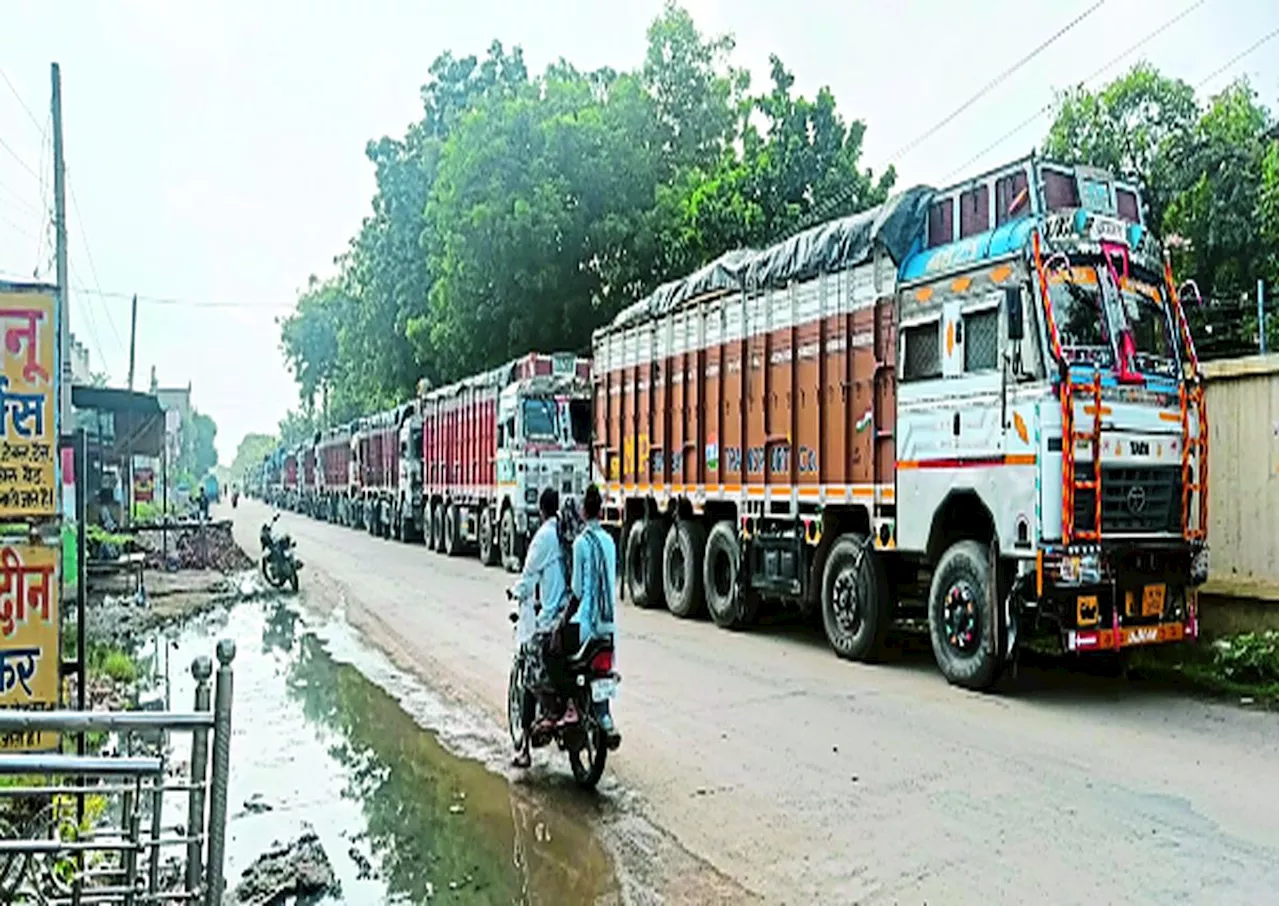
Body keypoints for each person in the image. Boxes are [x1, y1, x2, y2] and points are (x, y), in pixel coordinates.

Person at [541, 484, 619, 743]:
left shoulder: (581, 543)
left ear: (584, 512)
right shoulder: (609, 541)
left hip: (586, 626)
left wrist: (560, 624)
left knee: (550, 650)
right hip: (609, 628)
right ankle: (604, 715)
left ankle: (571, 704)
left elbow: (576, 591)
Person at [508, 486, 567, 769]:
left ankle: (525, 751)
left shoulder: (543, 537)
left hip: (551, 618)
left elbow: (529, 577)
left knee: (530, 675)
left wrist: (515, 593)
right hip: (574, 616)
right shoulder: (569, 534)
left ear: (541, 510)